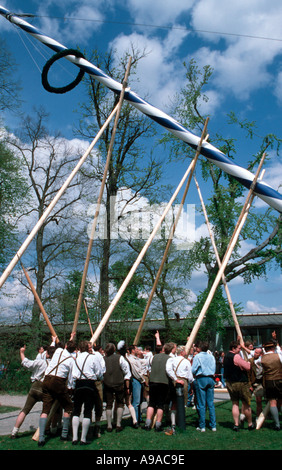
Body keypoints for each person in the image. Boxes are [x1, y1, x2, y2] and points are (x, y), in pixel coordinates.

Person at [37, 336, 77, 446]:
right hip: (58, 382)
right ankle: (64, 434)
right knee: (68, 406)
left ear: (65, 346)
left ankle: (41, 438)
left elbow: (52, 347)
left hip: (47, 379)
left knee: (45, 409)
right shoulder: (71, 361)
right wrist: (70, 389)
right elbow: (71, 378)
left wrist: (54, 340)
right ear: (74, 351)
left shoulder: (58, 350)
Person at [10, 344, 55, 439]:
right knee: (47, 410)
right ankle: (47, 429)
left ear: (47, 355)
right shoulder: (56, 365)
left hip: (35, 385)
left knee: (25, 410)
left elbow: (26, 363)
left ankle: (14, 432)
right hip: (47, 389)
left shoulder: (41, 362)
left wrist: (21, 352)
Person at [71, 340, 105, 445]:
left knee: (76, 411)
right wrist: (100, 378)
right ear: (87, 347)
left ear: (80, 348)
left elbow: (73, 375)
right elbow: (99, 372)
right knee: (87, 410)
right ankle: (83, 439)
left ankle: (74, 438)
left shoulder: (76, 359)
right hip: (89, 385)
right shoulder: (93, 357)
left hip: (78, 385)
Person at [223, 340, 255, 431]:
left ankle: (236, 424)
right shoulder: (236, 356)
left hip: (230, 382)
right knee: (246, 403)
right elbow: (247, 367)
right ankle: (250, 424)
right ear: (234, 348)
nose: (240, 350)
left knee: (235, 403)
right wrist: (248, 363)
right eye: (239, 348)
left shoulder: (225, 356)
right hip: (240, 382)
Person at [144, 342, 173, 432]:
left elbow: (149, 367)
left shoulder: (153, 357)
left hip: (152, 381)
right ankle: (158, 425)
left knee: (151, 403)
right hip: (163, 382)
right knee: (160, 404)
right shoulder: (170, 359)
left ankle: (147, 424)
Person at [103, 342, 131, 432]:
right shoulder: (120, 358)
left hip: (107, 384)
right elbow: (126, 371)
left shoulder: (103, 359)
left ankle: (109, 425)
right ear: (114, 350)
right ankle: (118, 424)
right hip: (119, 384)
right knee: (120, 403)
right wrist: (127, 385)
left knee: (109, 404)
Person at [166, 345, 194, 434]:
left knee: (174, 402)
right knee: (182, 402)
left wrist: (174, 378)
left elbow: (168, 370)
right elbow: (190, 376)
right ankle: (180, 422)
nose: (186, 352)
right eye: (185, 351)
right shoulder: (186, 361)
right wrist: (192, 383)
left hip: (174, 381)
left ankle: (173, 423)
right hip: (183, 381)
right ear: (182, 352)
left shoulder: (172, 359)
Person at [191, 340, 217, 432]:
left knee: (201, 403)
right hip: (210, 378)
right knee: (210, 403)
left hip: (201, 378)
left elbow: (193, 369)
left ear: (199, 348)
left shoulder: (198, 357)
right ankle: (213, 425)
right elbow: (214, 368)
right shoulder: (211, 357)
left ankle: (202, 426)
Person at [261, 339, 282, 430]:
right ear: (273, 347)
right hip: (280, 380)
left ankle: (277, 424)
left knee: (272, 402)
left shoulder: (262, 359)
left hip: (269, 381)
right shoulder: (279, 356)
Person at [126, 345, 147, 424]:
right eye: (136, 349)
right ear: (133, 350)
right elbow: (136, 372)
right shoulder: (131, 360)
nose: (138, 350)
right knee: (136, 401)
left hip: (140, 380)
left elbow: (145, 361)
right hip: (136, 380)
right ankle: (135, 420)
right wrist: (143, 379)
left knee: (140, 401)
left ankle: (139, 417)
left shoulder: (136, 359)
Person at [248, 347, 264, 421]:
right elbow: (248, 374)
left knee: (259, 400)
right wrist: (249, 385)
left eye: (257, 353)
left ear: (260, 354)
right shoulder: (250, 361)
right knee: (246, 400)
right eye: (254, 352)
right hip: (251, 383)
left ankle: (258, 417)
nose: (255, 354)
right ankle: (245, 416)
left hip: (260, 383)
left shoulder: (263, 362)